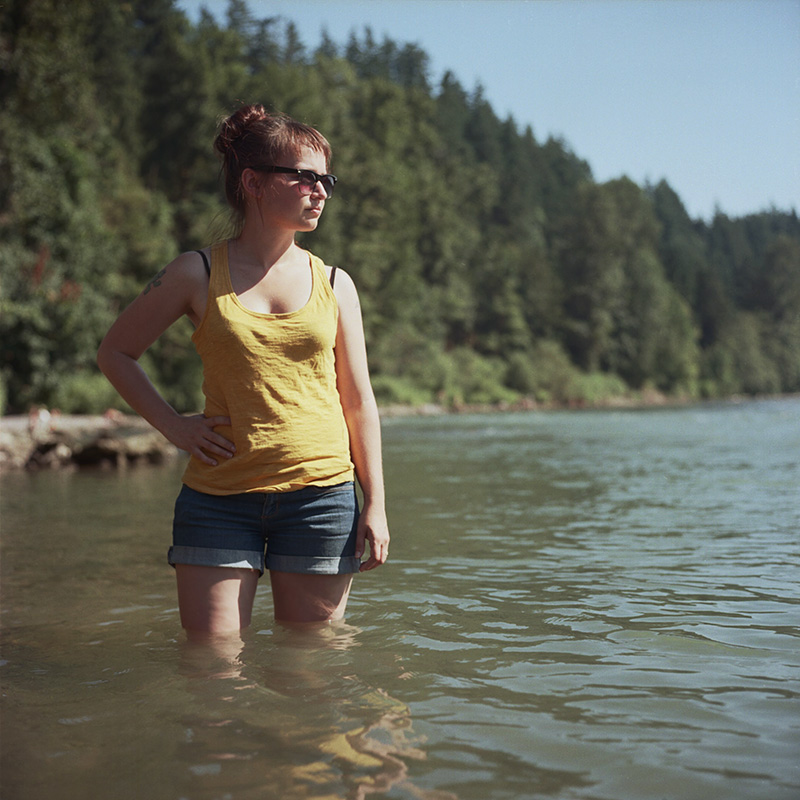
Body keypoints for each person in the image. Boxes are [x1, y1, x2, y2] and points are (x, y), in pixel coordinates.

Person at [97, 104, 389, 635]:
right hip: (218, 501)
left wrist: (377, 504)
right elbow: (115, 353)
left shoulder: (336, 284)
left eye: (326, 178)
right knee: (211, 674)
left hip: (322, 499)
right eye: (303, 177)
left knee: (311, 676)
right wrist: (175, 427)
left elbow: (358, 400)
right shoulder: (196, 272)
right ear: (252, 182)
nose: (320, 190)